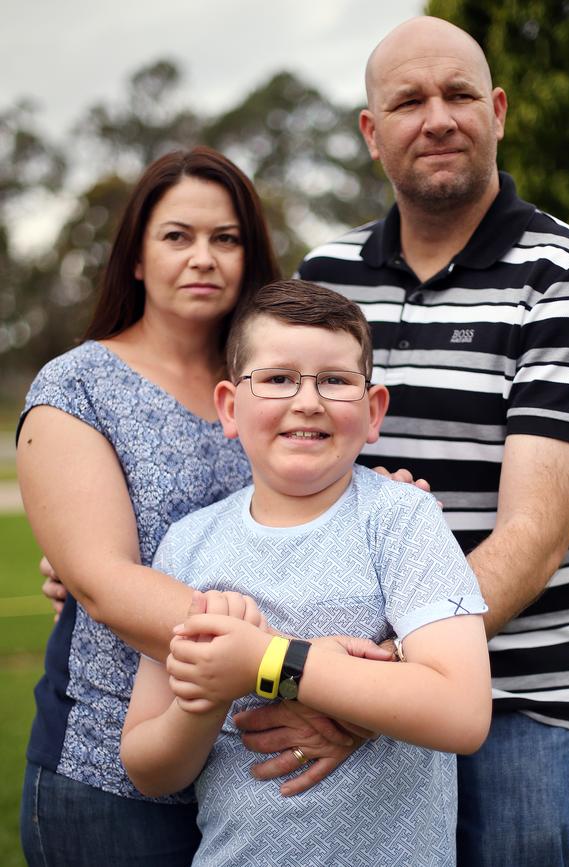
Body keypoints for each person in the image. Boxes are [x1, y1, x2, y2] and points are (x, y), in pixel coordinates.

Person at [295, 16, 569, 867]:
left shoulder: (566, 276)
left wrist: (385, 681)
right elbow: (276, 464)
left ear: (499, 111)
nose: (437, 117)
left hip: (520, 693)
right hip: (362, 667)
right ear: (373, 134)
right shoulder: (322, 281)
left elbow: (534, 534)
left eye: (459, 95)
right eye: (408, 101)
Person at [120, 278, 492, 867]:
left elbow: (462, 711)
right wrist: (204, 699)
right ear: (229, 407)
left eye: (336, 380)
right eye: (277, 378)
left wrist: (268, 662)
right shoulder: (188, 544)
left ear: (373, 412)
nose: (308, 401)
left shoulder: (402, 520)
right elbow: (146, 766)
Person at [16, 146, 281, 866]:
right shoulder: (77, 387)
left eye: (225, 238)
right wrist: (292, 669)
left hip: (257, 780)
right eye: (177, 236)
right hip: (110, 781)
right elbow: (103, 582)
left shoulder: (273, 381)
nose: (204, 257)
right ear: (135, 257)